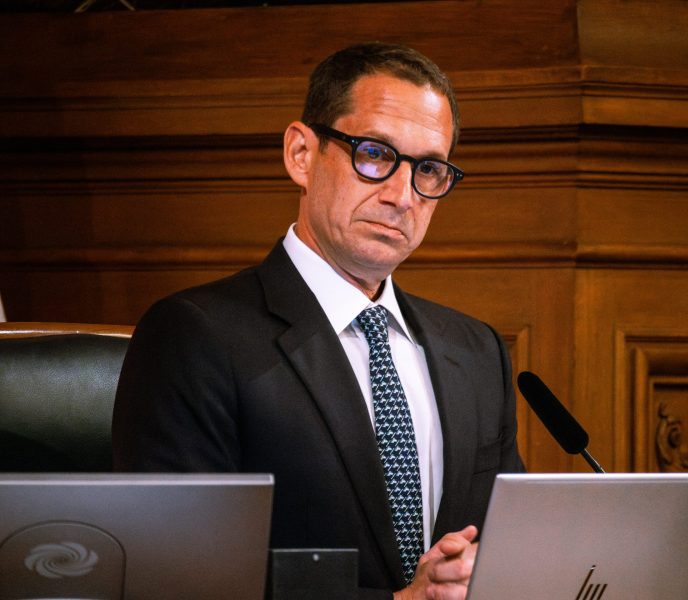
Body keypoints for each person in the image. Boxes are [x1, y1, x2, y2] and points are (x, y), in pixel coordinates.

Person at [112, 42, 525, 600]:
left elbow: (507, 550)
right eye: (375, 153)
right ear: (301, 154)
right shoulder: (195, 336)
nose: (402, 196)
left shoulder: (477, 351)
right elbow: (181, 581)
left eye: (428, 169)